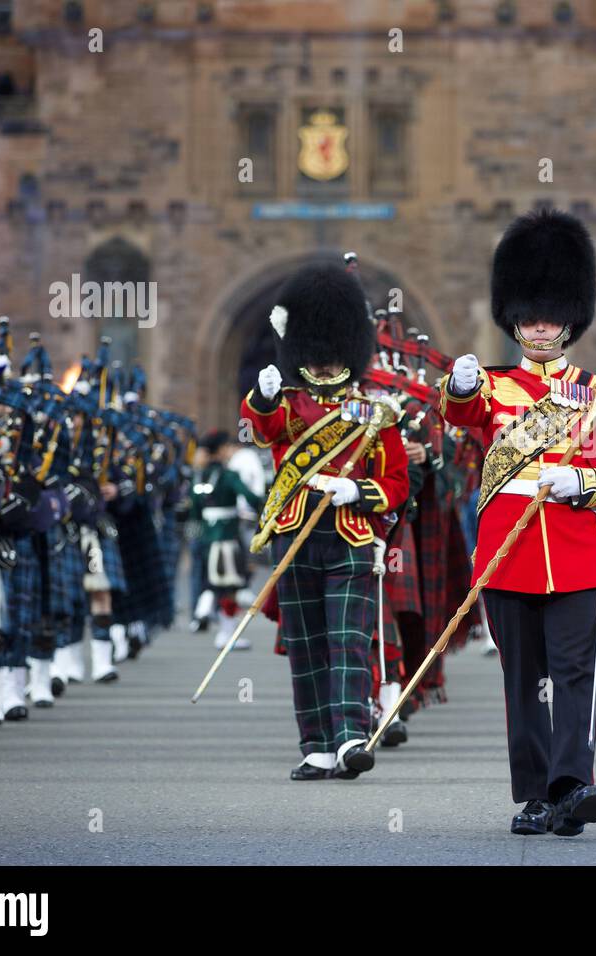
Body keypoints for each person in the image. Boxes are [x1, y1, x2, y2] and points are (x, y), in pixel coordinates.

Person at [439, 208, 596, 836]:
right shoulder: (496, 390)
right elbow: (460, 415)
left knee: (576, 675)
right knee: (524, 681)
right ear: (514, 317)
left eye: (552, 316)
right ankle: (534, 793)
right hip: (508, 554)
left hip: (576, 552)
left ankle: (572, 784)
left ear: (570, 320)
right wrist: (460, 384)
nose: (540, 326)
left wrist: (582, 482)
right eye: (530, 315)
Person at [240, 262, 410, 781]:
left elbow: (397, 483)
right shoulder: (287, 404)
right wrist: (265, 397)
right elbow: (262, 431)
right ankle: (315, 742)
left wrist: (356, 489)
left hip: (351, 534)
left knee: (348, 639)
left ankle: (352, 735)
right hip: (295, 532)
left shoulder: (374, 412)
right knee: (308, 644)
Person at [189, 429, 264, 650]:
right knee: (231, 585)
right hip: (228, 536)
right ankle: (226, 633)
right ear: (221, 450)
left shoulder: (199, 475)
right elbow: (250, 498)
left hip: (206, 535)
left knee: (211, 579)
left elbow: (194, 509)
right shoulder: (229, 475)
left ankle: (203, 610)